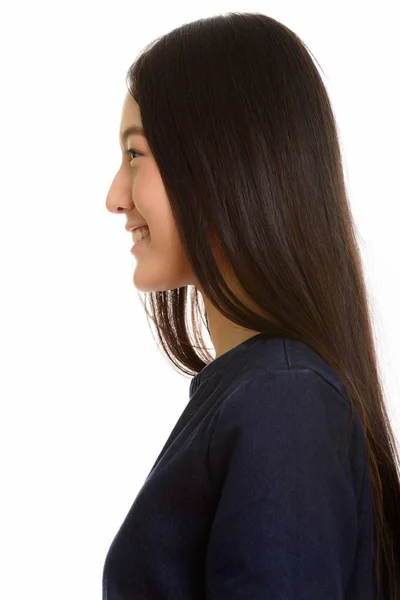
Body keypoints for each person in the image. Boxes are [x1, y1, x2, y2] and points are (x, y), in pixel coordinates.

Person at [103, 11, 399, 599]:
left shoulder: (282, 398)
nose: (114, 197)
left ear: (221, 163)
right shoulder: (261, 391)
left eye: (135, 155)